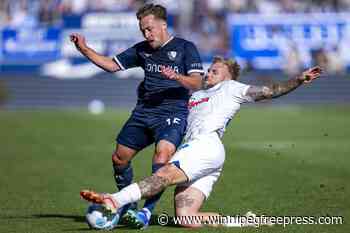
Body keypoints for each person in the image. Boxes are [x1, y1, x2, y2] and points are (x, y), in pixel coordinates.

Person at [80, 57, 323, 228]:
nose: (208, 73)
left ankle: (115, 200)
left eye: (215, 71)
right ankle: (244, 221)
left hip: (204, 146)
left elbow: (271, 91)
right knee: (186, 217)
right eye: (208, 70)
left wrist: (299, 79)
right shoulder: (195, 95)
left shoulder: (232, 88)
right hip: (206, 156)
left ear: (229, 76)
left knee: (163, 175)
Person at [70, 3, 204, 225]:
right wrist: (84, 49)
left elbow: (198, 82)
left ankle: (145, 212)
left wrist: (177, 77)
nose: (146, 34)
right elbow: (112, 65)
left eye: (150, 28)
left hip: (172, 112)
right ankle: (128, 203)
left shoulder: (185, 48)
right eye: (143, 30)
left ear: (163, 25)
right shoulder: (142, 49)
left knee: (162, 156)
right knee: (119, 158)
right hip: (144, 112)